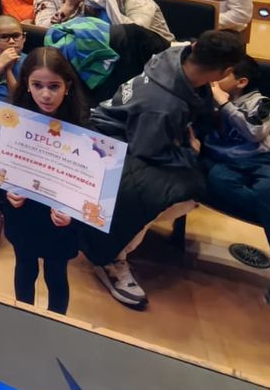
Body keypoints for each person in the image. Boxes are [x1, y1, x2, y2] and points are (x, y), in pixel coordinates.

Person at [82, 31, 247, 309]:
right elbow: (148, 149)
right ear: (225, 71)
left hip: (139, 132)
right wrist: (189, 151)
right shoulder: (162, 105)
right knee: (179, 192)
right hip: (107, 143)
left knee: (192, 175)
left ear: (193, 45)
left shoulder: (173, 55)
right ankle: (111, 258)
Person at [199, 58, 270, 310]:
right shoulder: (208, 97)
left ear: (241, 82)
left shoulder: (260, 102)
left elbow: (254, 131)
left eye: (223, 74)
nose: (214, 78)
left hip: (262, 161)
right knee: (218, 182)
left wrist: (223, 104)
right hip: (228, 165)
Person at [1, 48, 88, 314]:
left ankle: (56, 325)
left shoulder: (85, 131)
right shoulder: (11, 122)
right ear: (26, 84)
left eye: (54, 86)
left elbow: (90, 189)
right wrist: (5, 193)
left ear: (68, 86)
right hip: (23, 215)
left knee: (56, 276)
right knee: (25, 270)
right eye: (37, 85)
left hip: (58, 224)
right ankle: (24, 319)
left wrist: (73, 214)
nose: (46, 94)